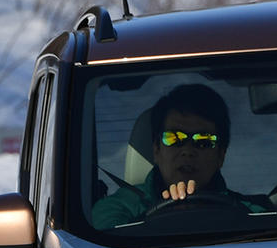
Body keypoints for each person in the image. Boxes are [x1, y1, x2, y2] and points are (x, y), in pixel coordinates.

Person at [91, 84, 264, 228]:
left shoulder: (253, 213)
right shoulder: (116, 208)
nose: (188, 150)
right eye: (175, 138)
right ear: (156, 150)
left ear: (221, 155)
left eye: (203, 141)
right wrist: (168, 215)